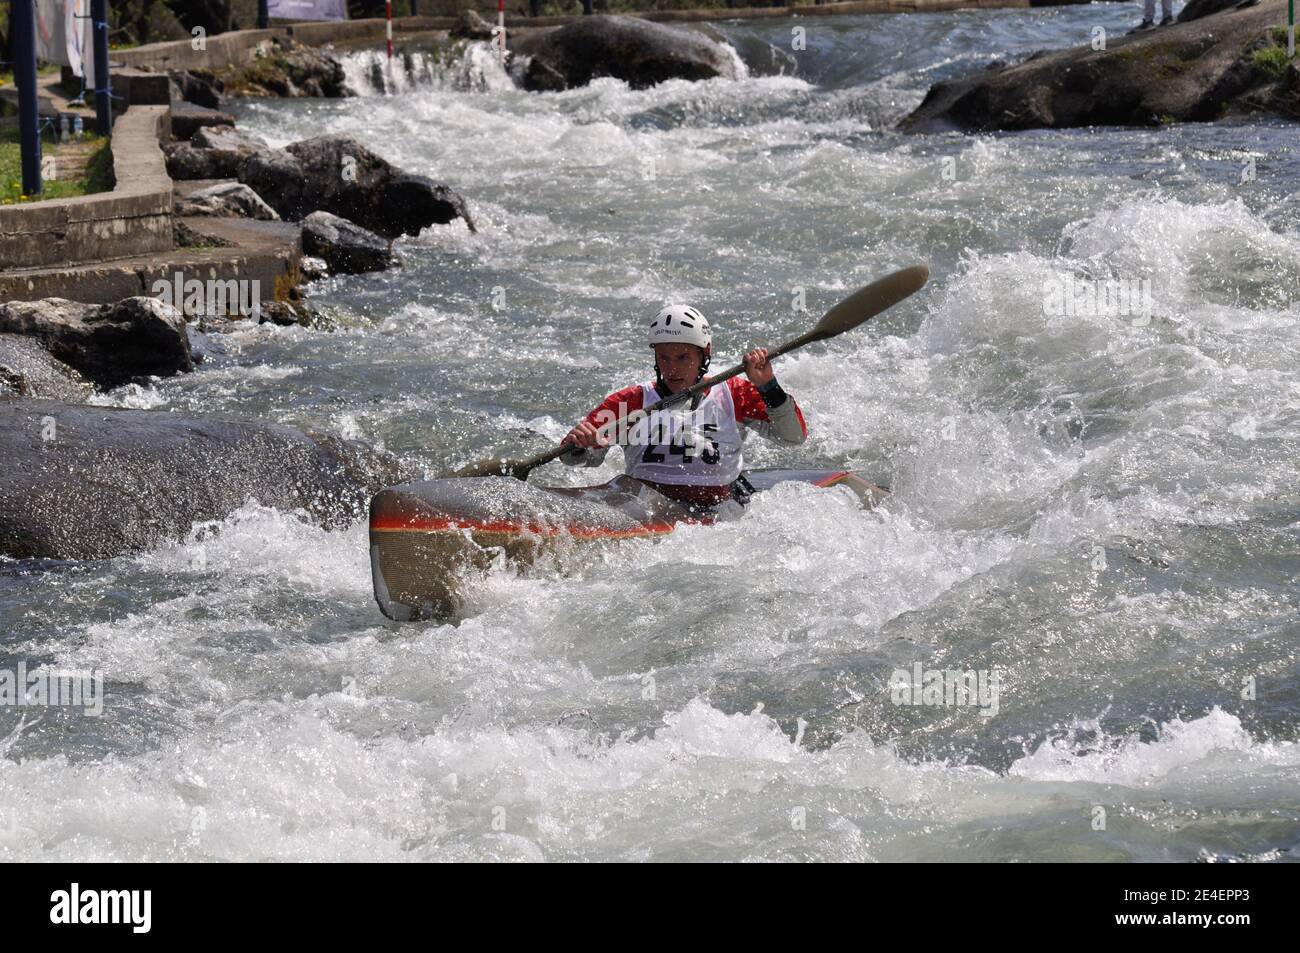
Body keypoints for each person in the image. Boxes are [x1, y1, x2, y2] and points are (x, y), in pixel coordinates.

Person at [561, 304, 807, 509]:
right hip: (648, 510)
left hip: (719, 507)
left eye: (683, 358)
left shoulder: (735, 394)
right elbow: (580, 459)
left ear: (705, 354)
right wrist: (578, 447)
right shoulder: (630, 402)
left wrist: (768, 387)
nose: (672, 369)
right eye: (664, 357)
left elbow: (793, 437)